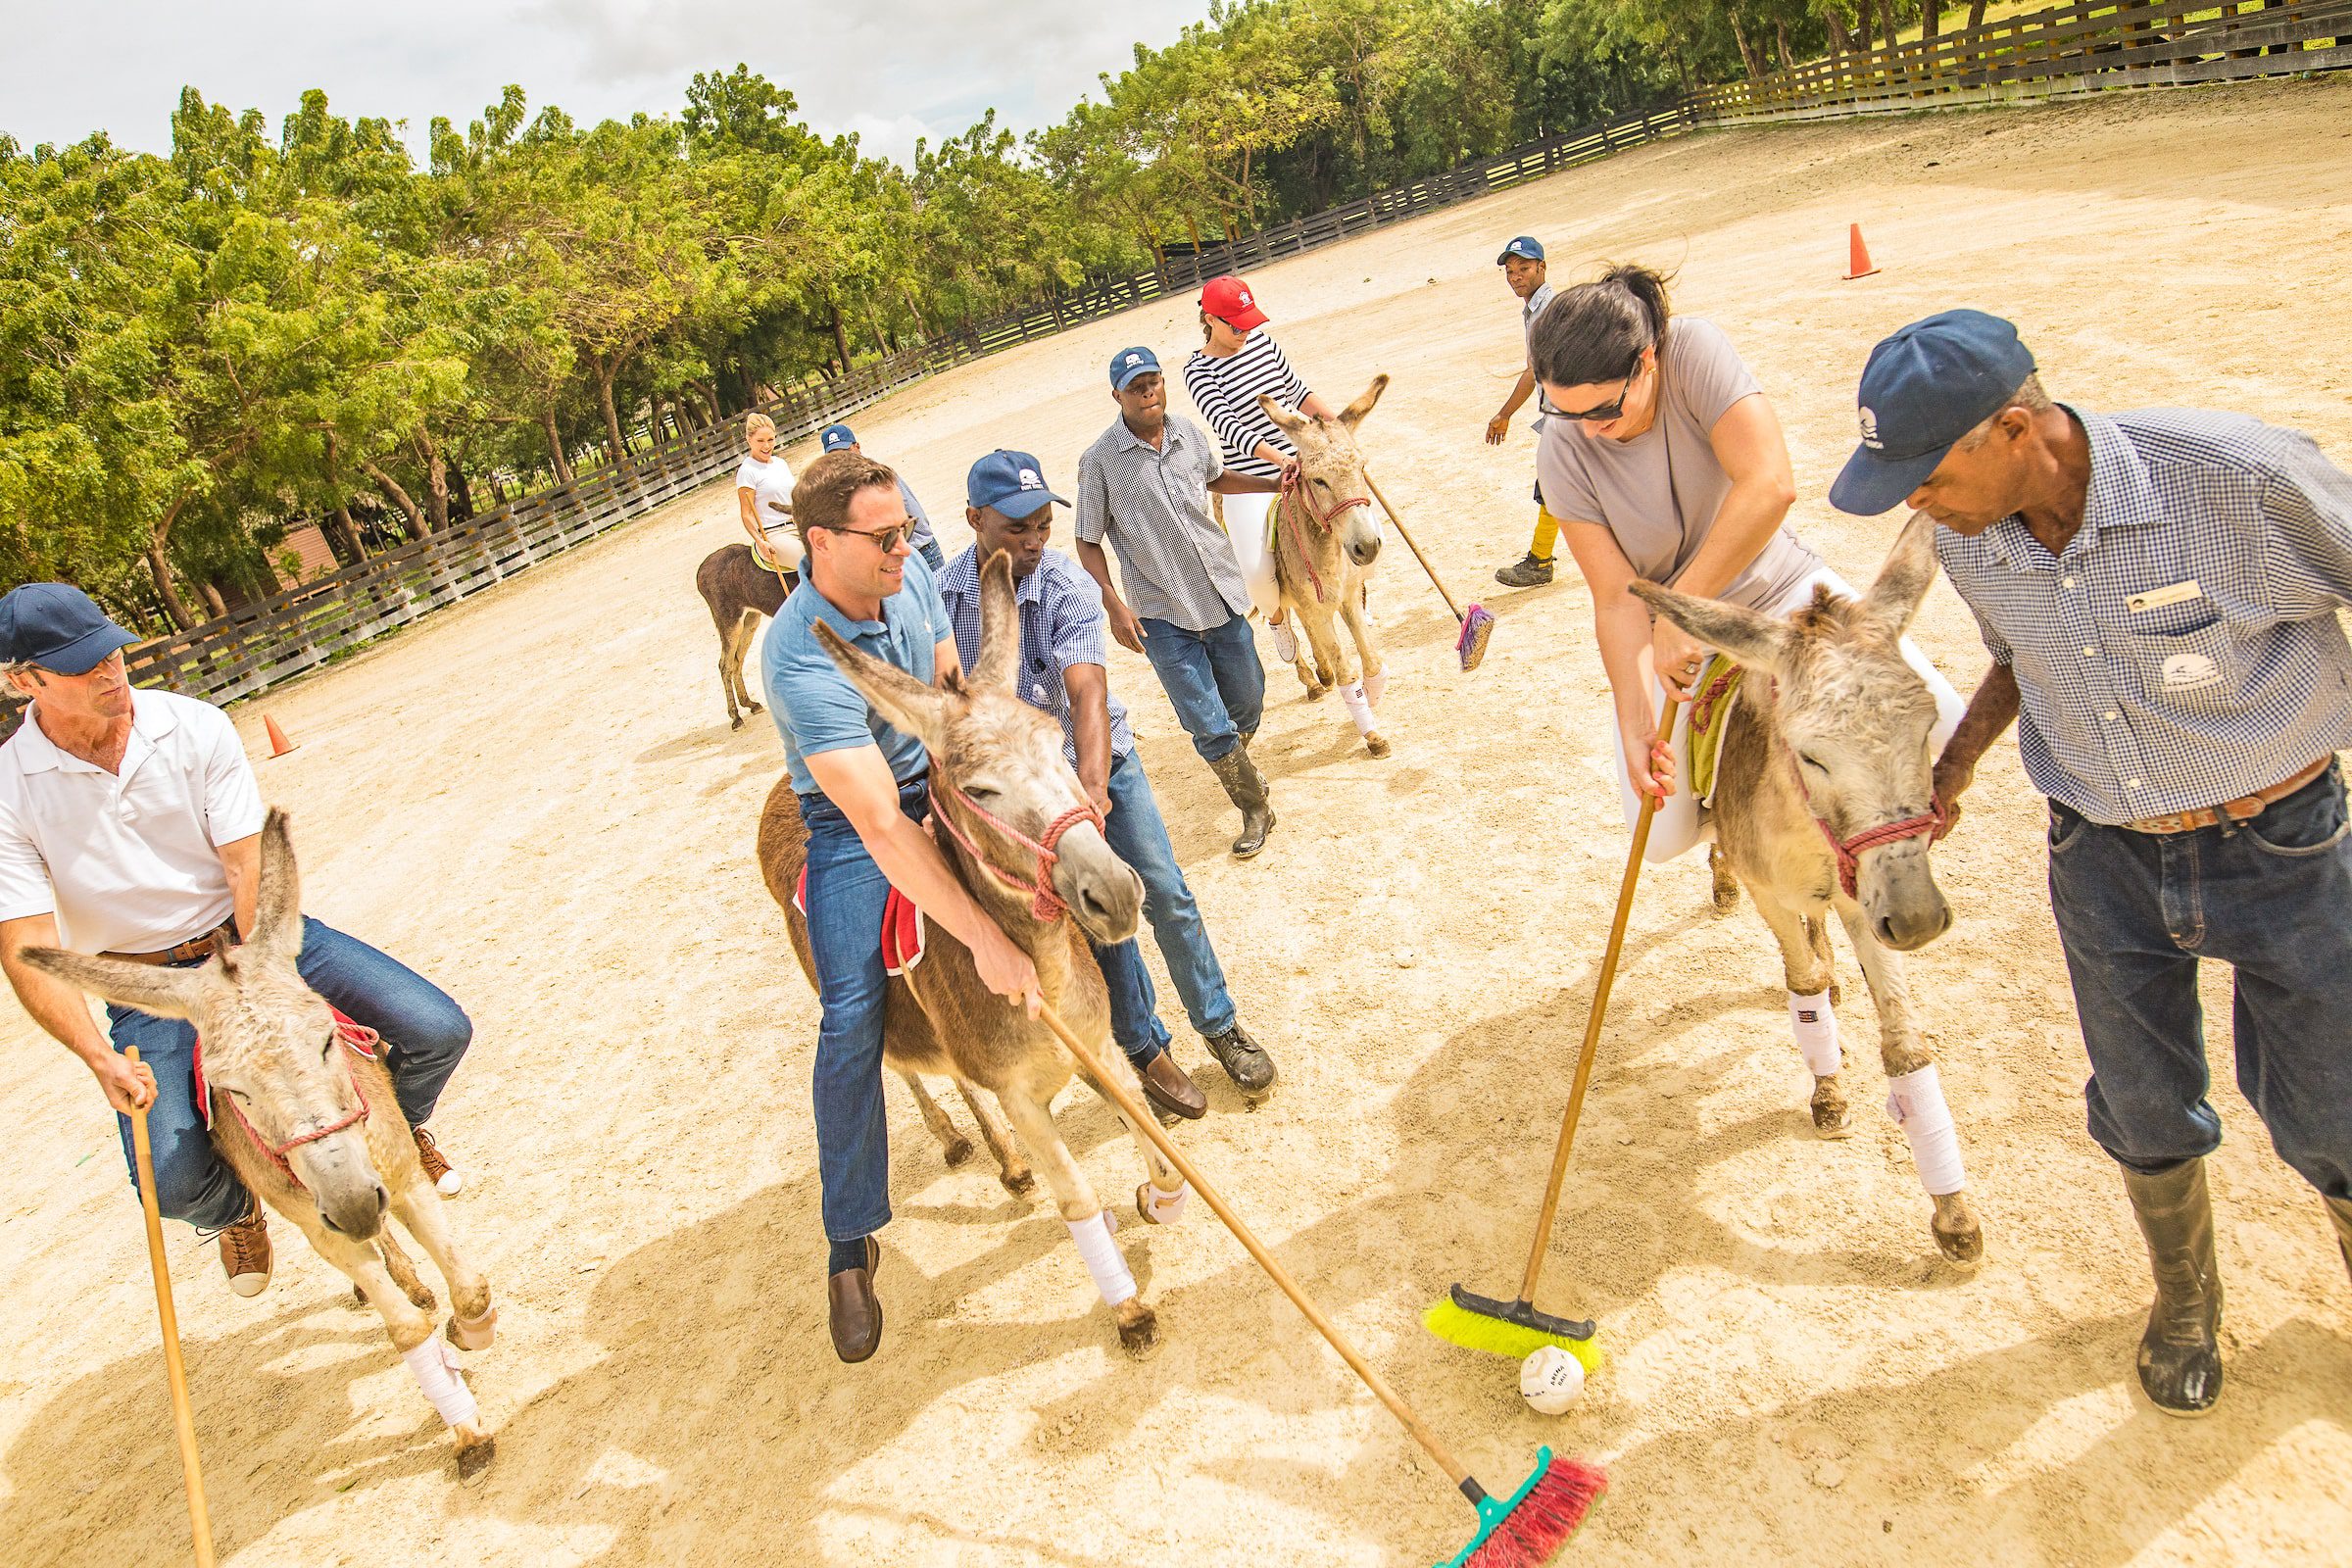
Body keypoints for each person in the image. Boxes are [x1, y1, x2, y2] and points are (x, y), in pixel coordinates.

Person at [1832, 309, 2352, 1416]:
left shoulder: (2239, 482)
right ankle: (2187, 1303)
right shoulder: (1976, 536)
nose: (1915, 505)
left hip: (2284, 847)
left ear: (2014, 430)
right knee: (2143, 1100)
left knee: (2334, 1105)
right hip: (2102, 857)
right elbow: (2026, 655)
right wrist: (1956, 763)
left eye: (1926, 476)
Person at [0, 584, 475, 1299]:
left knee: (438, 1030)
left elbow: (244, 864)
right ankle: (241, 1207)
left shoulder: (192, 725)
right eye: (81, 664)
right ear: (19, 680)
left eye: (112, 650)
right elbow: (26, 945)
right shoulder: (10, 789)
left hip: (261, 945)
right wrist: (100, 1059)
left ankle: (391, 1148)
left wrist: (264, 990)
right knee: (172, 1179)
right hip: (152, 986)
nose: (110, 670)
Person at [1527, 263, 1964, 862]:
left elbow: (1769, 485)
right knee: (1658, 839)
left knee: (1946, 721)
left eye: (1602, 411)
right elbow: (1612, 595)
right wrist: (1635, 721)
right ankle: (1730, 829)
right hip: (1666, 629)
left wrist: (1686, 613)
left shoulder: (1696, 349)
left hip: (1777, 589)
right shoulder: (1562, 447)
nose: (1590, 433)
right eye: (1565, 413)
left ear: (1647, 360)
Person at [760, 450, 1043, 1363]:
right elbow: (881, 823)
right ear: (820, 543)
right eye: (883, 537)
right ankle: (850, 1243)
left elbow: (950, 677)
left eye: (907, 531)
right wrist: (979, 941)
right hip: (852, 826)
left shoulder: (911, 575)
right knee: (848, 1015)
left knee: (1064, 859)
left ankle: (1143, 1045)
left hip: (937, 769)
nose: (905, 549)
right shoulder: (796, 654)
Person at [939, 450, 1279, 1104]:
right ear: (974, 519)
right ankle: (1146, 1050)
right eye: (1016, 529)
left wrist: (1091, 794)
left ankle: (1220, 1024)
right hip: (1018, 795)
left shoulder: (1067, 584)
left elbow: (1087, 694)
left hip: (1100, 766)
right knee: (1095, 921)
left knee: (1163, 891)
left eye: (1042, 525)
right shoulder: (940, 598)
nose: (1034, 541)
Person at [1076, 345, 1288, 859]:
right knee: (1205, 718)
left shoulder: (1190, 434)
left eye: (1153, 382)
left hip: (1218, 590)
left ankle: (1237, 754)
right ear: (1117, 395)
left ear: (1163, 383)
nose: (1147, 393)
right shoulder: (1099, 461)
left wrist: (1273, 481)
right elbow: (1087, 539)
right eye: (1135, 387)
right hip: (1159, 611)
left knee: (1247, 699)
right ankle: (1253, 804)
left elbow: (1216, 478)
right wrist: (1112, 602)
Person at [1180, 276, 1332, 667]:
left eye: (1249, 322)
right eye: (1236, 325)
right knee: (1256, 574)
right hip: (1251, 483)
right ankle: (1278, 620)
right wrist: (1281, 461)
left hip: (1301, 465)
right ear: (1210, 319)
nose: (1246, 331)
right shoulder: (1198, 371)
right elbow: (1228, 427)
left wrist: (1337, 425)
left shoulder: (1264, 345)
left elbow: (1297, 392)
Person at [1487, 236, 1566, 589]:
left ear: (1542, 268)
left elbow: (1534, 370)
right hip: (1564, 411)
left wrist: (1504, 414)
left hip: (1569, 413)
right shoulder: (1535, 309)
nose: (1516, 276)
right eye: (1510, 270)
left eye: (1524, 268)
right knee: (1560, 484)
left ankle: (1540, 561)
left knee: (1555, 483)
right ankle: (1541, 558)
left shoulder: (1546, 311)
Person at [818, 422, 947, 573]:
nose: (842, 459)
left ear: (857, 447)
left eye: (845, 451)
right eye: (835, 456)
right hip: (899, 554)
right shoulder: (845, 484)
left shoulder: (874, 476)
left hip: (921, 549)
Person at [736, 411, 803, 582]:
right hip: (774, 533)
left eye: (770, 440)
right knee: (810, 562)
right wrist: (760, 541)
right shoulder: (747, 471)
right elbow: (747, 513)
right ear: (748, 440)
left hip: (798, 524)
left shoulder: (781, 464)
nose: (767, 446)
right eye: (760, 441)